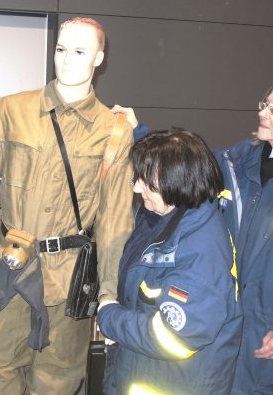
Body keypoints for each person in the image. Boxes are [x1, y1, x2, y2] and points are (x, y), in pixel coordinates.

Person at [114, 76, 273, 394]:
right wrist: (138, 131)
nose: (262, 113)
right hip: (225, 343)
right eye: (265, 104)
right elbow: (183, 170)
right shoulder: (235, 164)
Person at [0, 17, 135, 393]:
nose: (67, 59)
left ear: (99, 58)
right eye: (61, 49)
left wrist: (109, 294)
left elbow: (115, 220)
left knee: (58, 380)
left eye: (79, 51)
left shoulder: (113, 130)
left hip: (69, 280)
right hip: (10, 267)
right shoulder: (11, 110)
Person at [97, 129, 242, 394]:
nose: (136, 187)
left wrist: (109, 317)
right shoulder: (160, 216)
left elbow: (177, 338)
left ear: (176, 179)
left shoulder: (200, 250)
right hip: (140, 369)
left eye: (146, 180)